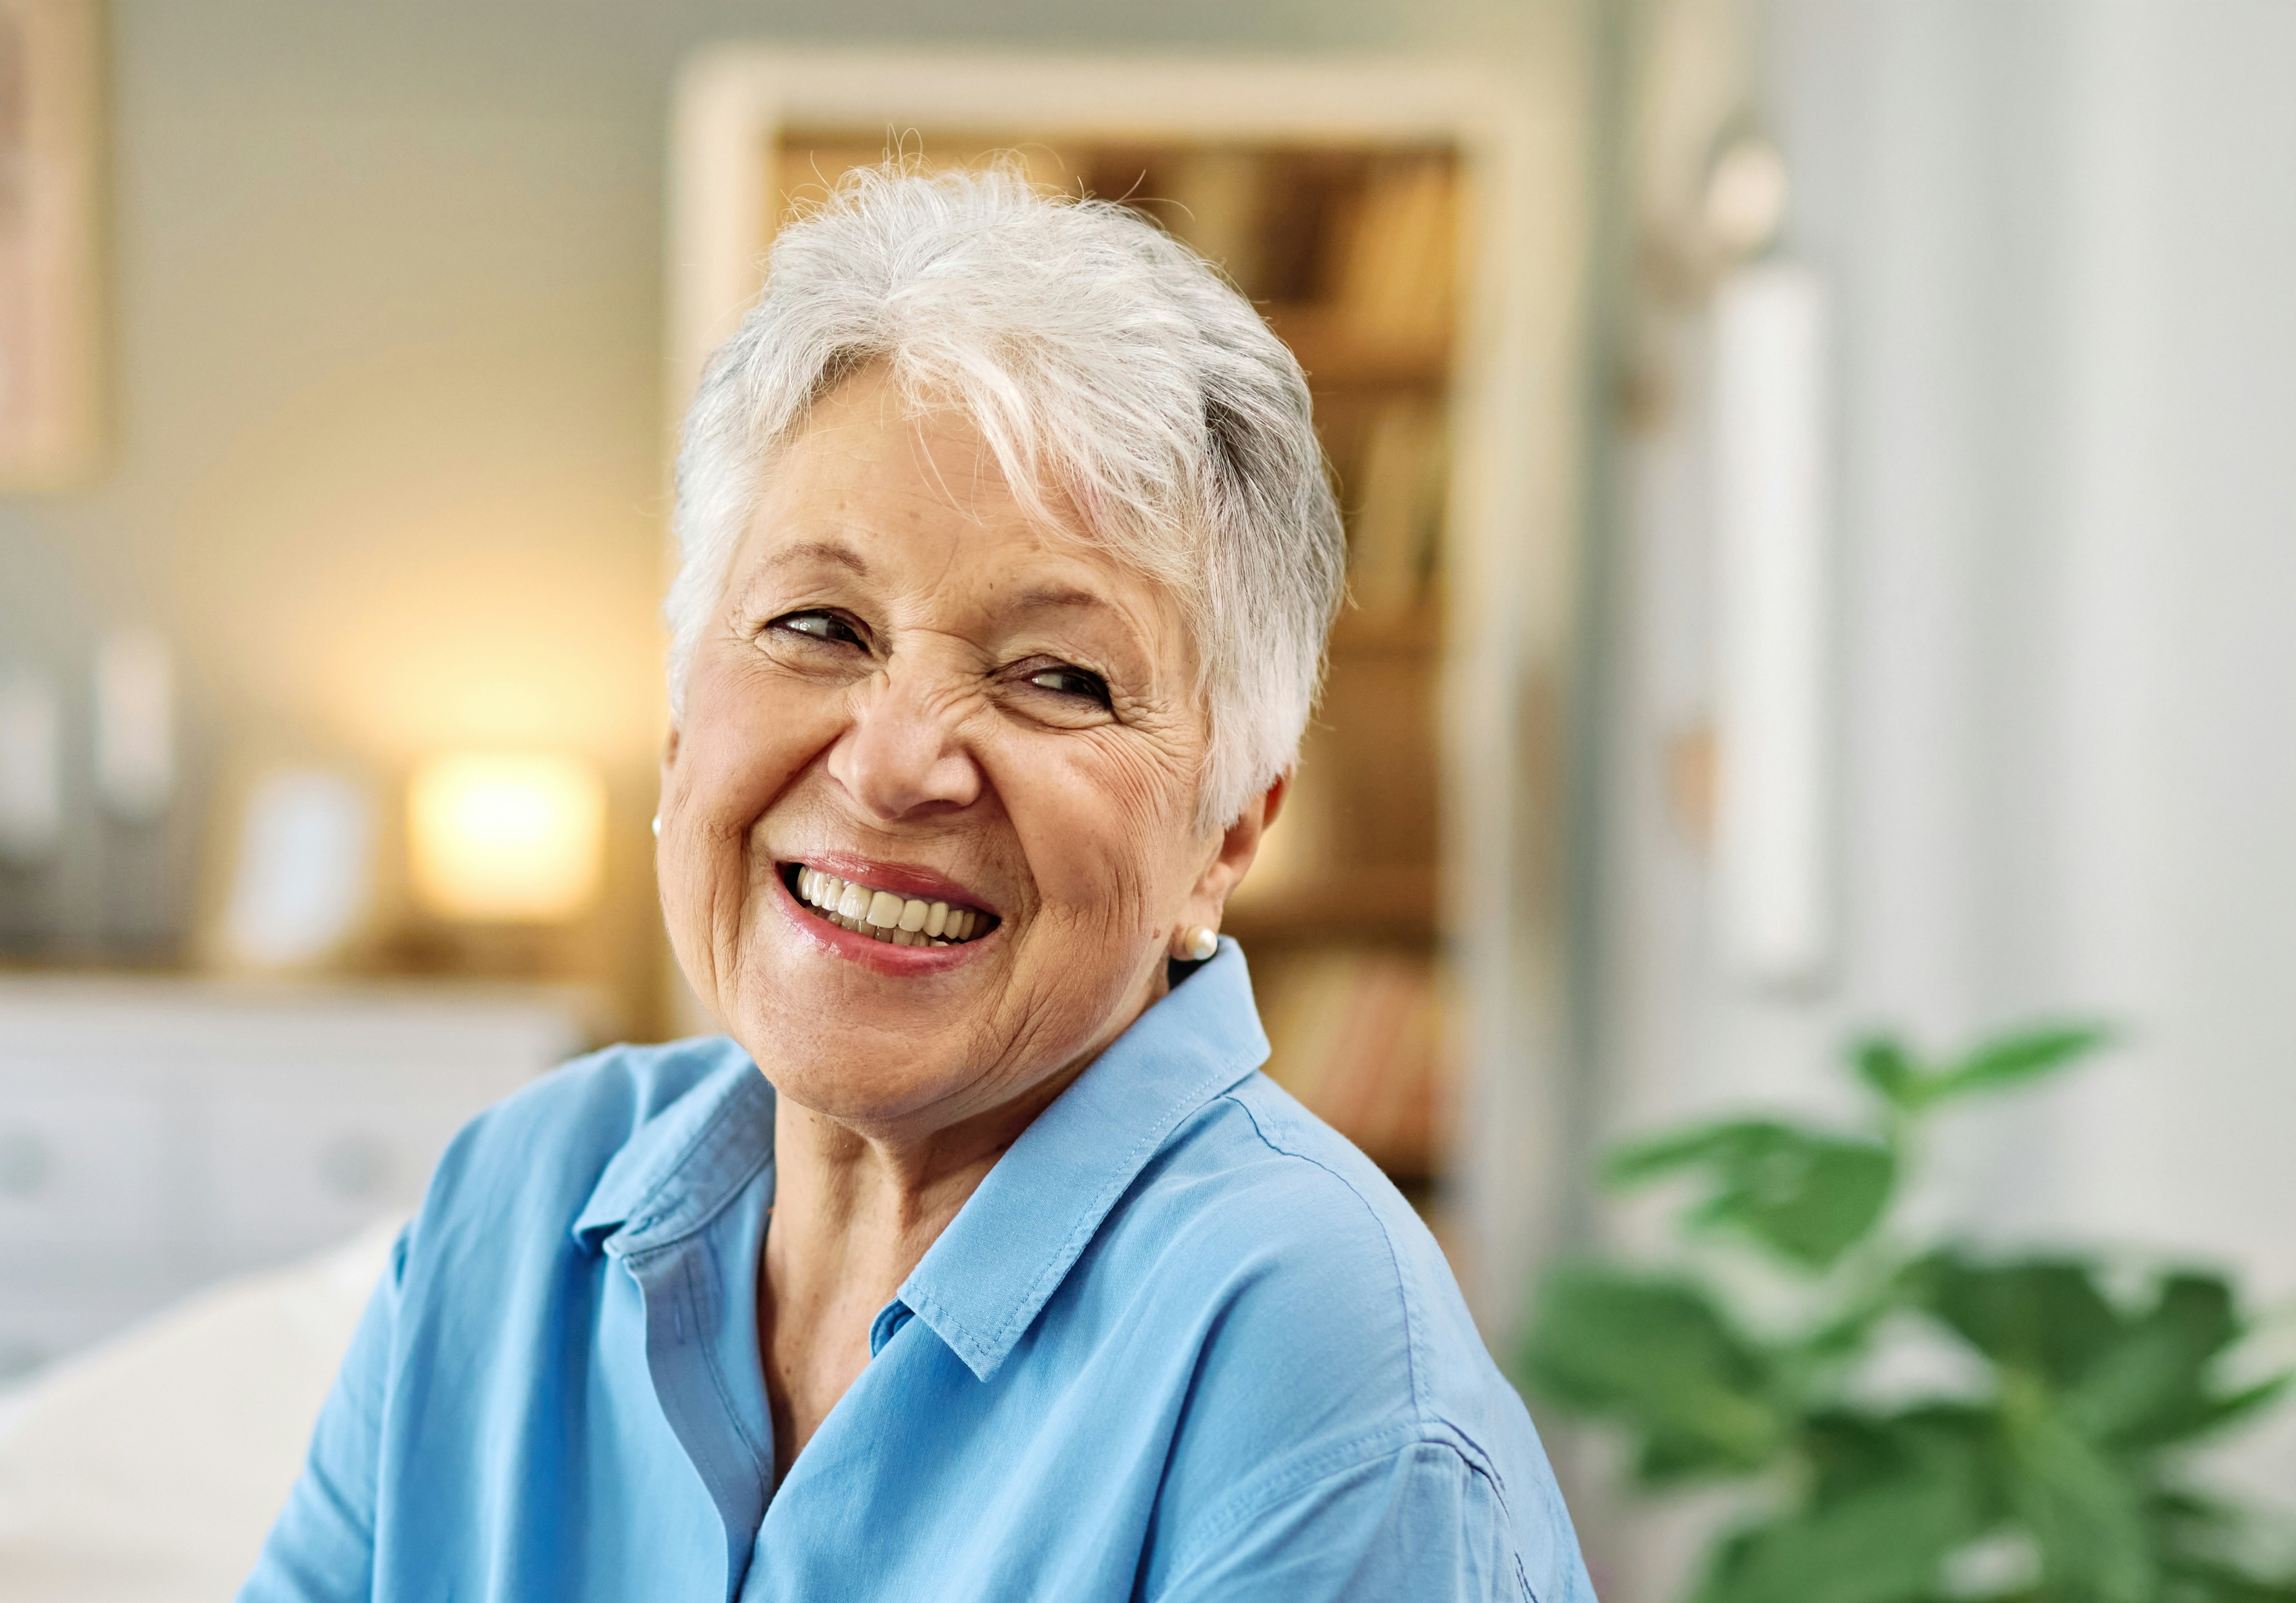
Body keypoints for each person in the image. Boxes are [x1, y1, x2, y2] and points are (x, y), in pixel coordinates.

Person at [241, 162, 1593, 1603]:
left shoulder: (1318, 1361)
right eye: (818, 623)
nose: (895, 766)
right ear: (683, 715)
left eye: (1058, 675)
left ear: (1227, 839)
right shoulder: (513, 1200)